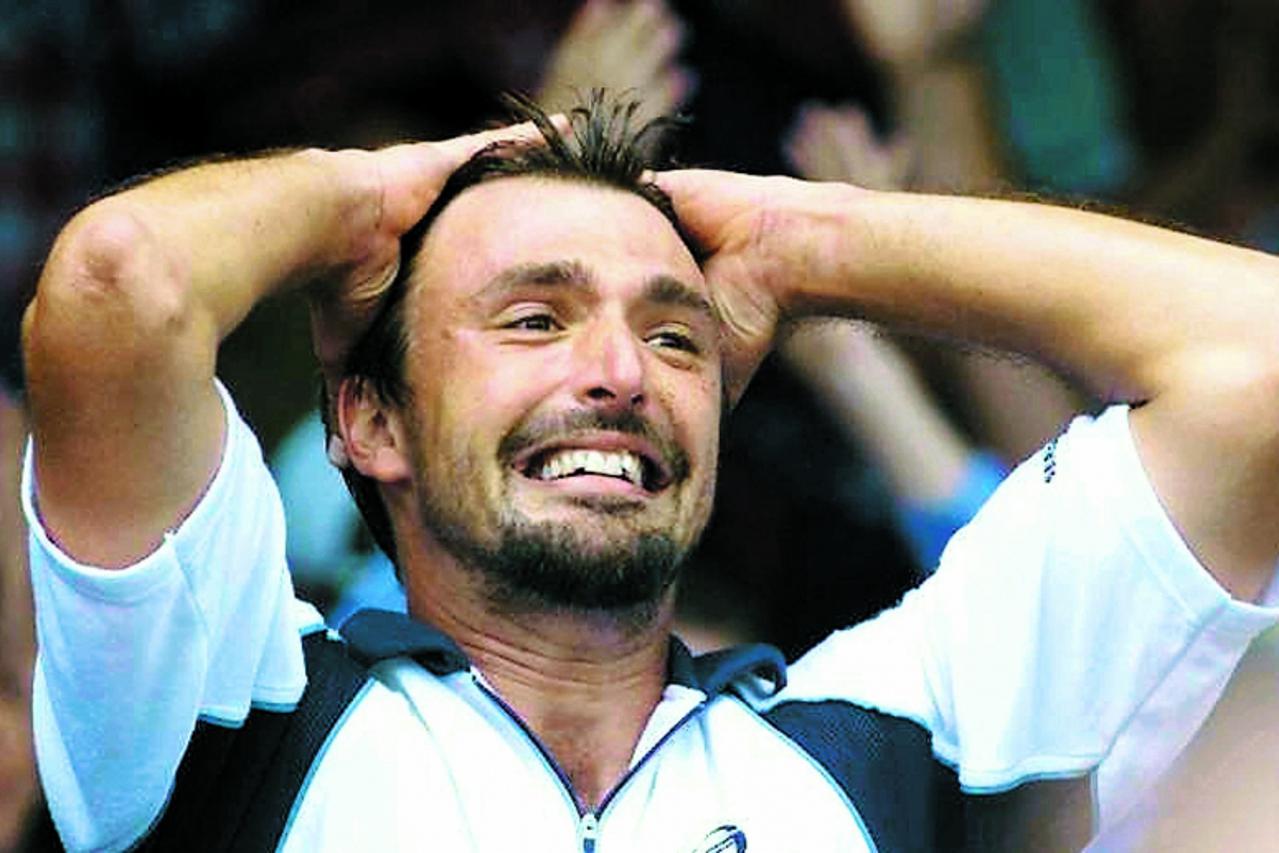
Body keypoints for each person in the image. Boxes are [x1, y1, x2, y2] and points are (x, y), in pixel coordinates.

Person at [21, 95, 1279, 851]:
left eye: (677, 334)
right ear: (370, 423)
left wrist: (812, 239)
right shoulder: (229, 711)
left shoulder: (896, 737)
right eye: (532, 319)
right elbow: (121, 283)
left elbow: (1257, 361)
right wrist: (366, 198)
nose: (620, 369)